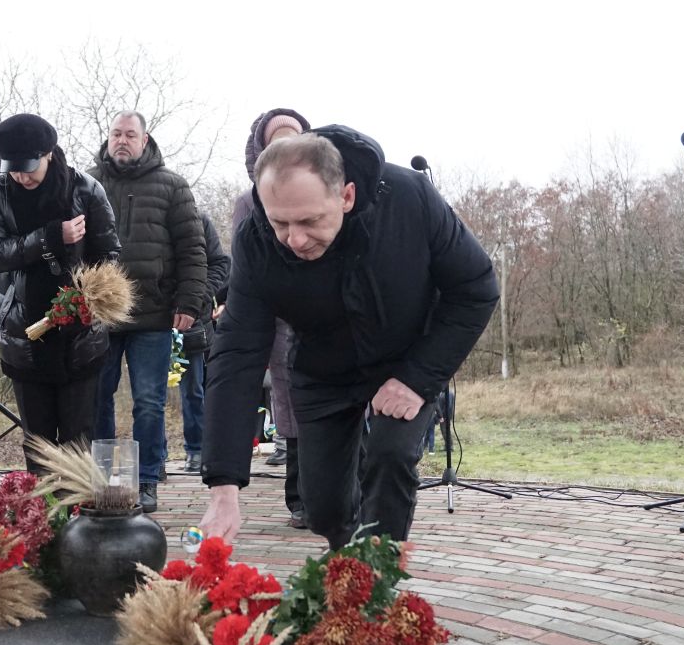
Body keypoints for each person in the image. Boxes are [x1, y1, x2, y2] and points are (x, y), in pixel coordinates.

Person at [200, 126, 498, 549]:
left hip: (407, 358)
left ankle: (377, 572)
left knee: (390, 456)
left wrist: (417, 379)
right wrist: (224, 486)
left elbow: (476, 287)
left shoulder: (409, 200)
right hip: (323, 367)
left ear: (346, 196)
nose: (294, 239)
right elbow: (237, 353)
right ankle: (349, 557)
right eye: (280, 222)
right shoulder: (256, 241)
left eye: (309, 221)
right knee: (322, 508)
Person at [0, 113, 120, 474]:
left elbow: (109, 255)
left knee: (78, 440)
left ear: (49, 154)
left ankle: (78, 508)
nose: (21, 177)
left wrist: (87, 300)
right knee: (37, 442)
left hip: (80, 336)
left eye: (29, 168)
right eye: (13, 169)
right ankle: (41, 507)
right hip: (23, 334)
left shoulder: (86, 189)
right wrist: (50, 238)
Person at [90, 110, 207, 513]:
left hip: (153, 314)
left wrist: (190, 302)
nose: (122, 141)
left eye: (130, 135)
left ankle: (146, 481)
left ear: (144, 140)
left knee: (149, 401)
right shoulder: (87, 182)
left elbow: (193, 249)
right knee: (96, 397)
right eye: (116, 134)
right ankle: (104, 482)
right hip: (100, 316)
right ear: (108, 138)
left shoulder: (172, 185)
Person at [231, 107, 312, 527]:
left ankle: (341, 489)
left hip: (322, 313)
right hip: (278, 320)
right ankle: (299, 496)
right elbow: (243, 269)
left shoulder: (326, 190)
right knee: (289, 403)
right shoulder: (248, 203)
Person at [175, 213, 230, 474]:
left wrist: (199, 296)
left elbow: (221, 263)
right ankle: (154, 461)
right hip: (149, 318)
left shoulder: (199, 220)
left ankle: (196, 449)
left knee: (193, 390)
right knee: (148, 395)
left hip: (192, 322)